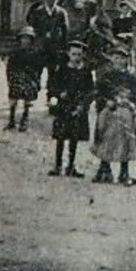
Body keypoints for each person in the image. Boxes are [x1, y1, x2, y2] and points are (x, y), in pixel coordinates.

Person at [92, 43, 136, 185]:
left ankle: (124, 171)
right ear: (111, 59)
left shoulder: (131, 79)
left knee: (126, 134)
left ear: (126, 60)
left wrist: (130, 104)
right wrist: (106, 102)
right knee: (106, 133)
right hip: (109, 110)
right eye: (116, 58)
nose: (118, 61)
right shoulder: (105, 77)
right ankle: (104, 168)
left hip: (125, 111)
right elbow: (97, 95)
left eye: (122, 58)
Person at [47, 39, 95, 177]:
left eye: (79, 55)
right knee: (61, 137)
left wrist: (83, 105)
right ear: (68, 54)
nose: (77, 58)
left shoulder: (85, 72)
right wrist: (58, 93)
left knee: (74, 137)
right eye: (74, 54)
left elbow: (90, 91)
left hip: (77, 107)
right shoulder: (62, 69)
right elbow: (52, 86)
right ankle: (58, 165)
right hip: (63, 106)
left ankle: (71, 166)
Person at [5, 26, 43, 132]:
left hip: (29, 78)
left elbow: (38, 69)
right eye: (23, 38)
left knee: (28, 95)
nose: (25, 41)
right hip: (17, 77)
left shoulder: (35, 54)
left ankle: (25, 119)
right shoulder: (15, 53)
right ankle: (11, 120)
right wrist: (10, 79)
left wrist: (37, 81)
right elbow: (10, 68)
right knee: (13, 96)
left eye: (28, 39)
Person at [27, 0, 71, 76]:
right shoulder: (37, 12)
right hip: (40, 46)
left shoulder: (61, 13)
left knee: (53, 71)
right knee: (37, 70)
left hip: (55, 46)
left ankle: (51, 88)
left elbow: (65, 30)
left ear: (58, 0)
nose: (52, 0)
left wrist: (63, 46)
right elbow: (31, 28)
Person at [113, 0, 136, 76]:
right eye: (122, 8)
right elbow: (115, 31)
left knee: (134, 54)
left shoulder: (133, 18)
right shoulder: (118, 19)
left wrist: (132, 34)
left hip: (132, 38)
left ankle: (135, 70)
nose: (124, 10)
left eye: (126, 8)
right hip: (121, 40)